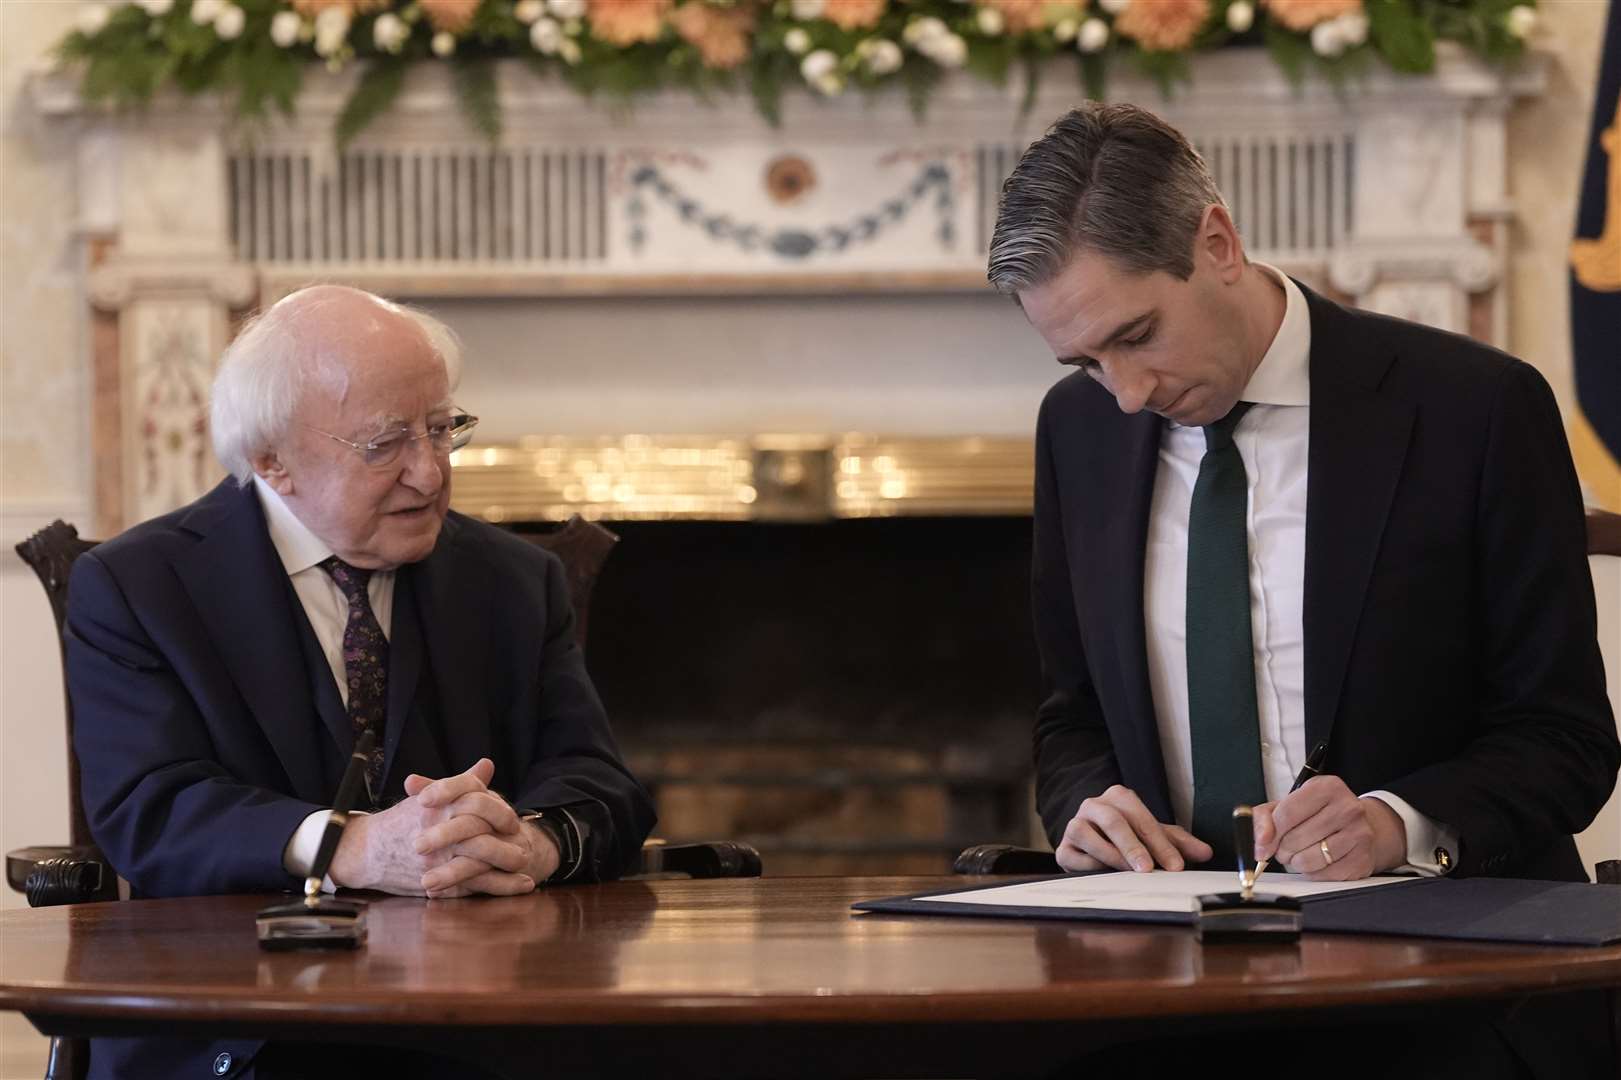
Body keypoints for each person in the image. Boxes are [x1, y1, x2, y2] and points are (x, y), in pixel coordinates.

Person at [990, 104, 1617, 1076]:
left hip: (1443, 991)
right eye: (1083, 361)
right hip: (1165, 990)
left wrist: (1395, 822)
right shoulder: (1078, 431)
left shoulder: (1474, 410)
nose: (1123, 392)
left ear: (1217, 242)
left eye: (1137, 334)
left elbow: (1565, 739)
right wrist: (1087, 807)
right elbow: (1071, 720)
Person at [65, 284, 656, 1079]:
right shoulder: (140, 586)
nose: (429, 473)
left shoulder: (514, 580)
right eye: (386, 444)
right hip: (238, 1023)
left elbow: (598, 783)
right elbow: (151, 809)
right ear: (272, 459)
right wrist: (351, 846)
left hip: (481, 1017)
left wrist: (533, 843)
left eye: (442, 430)